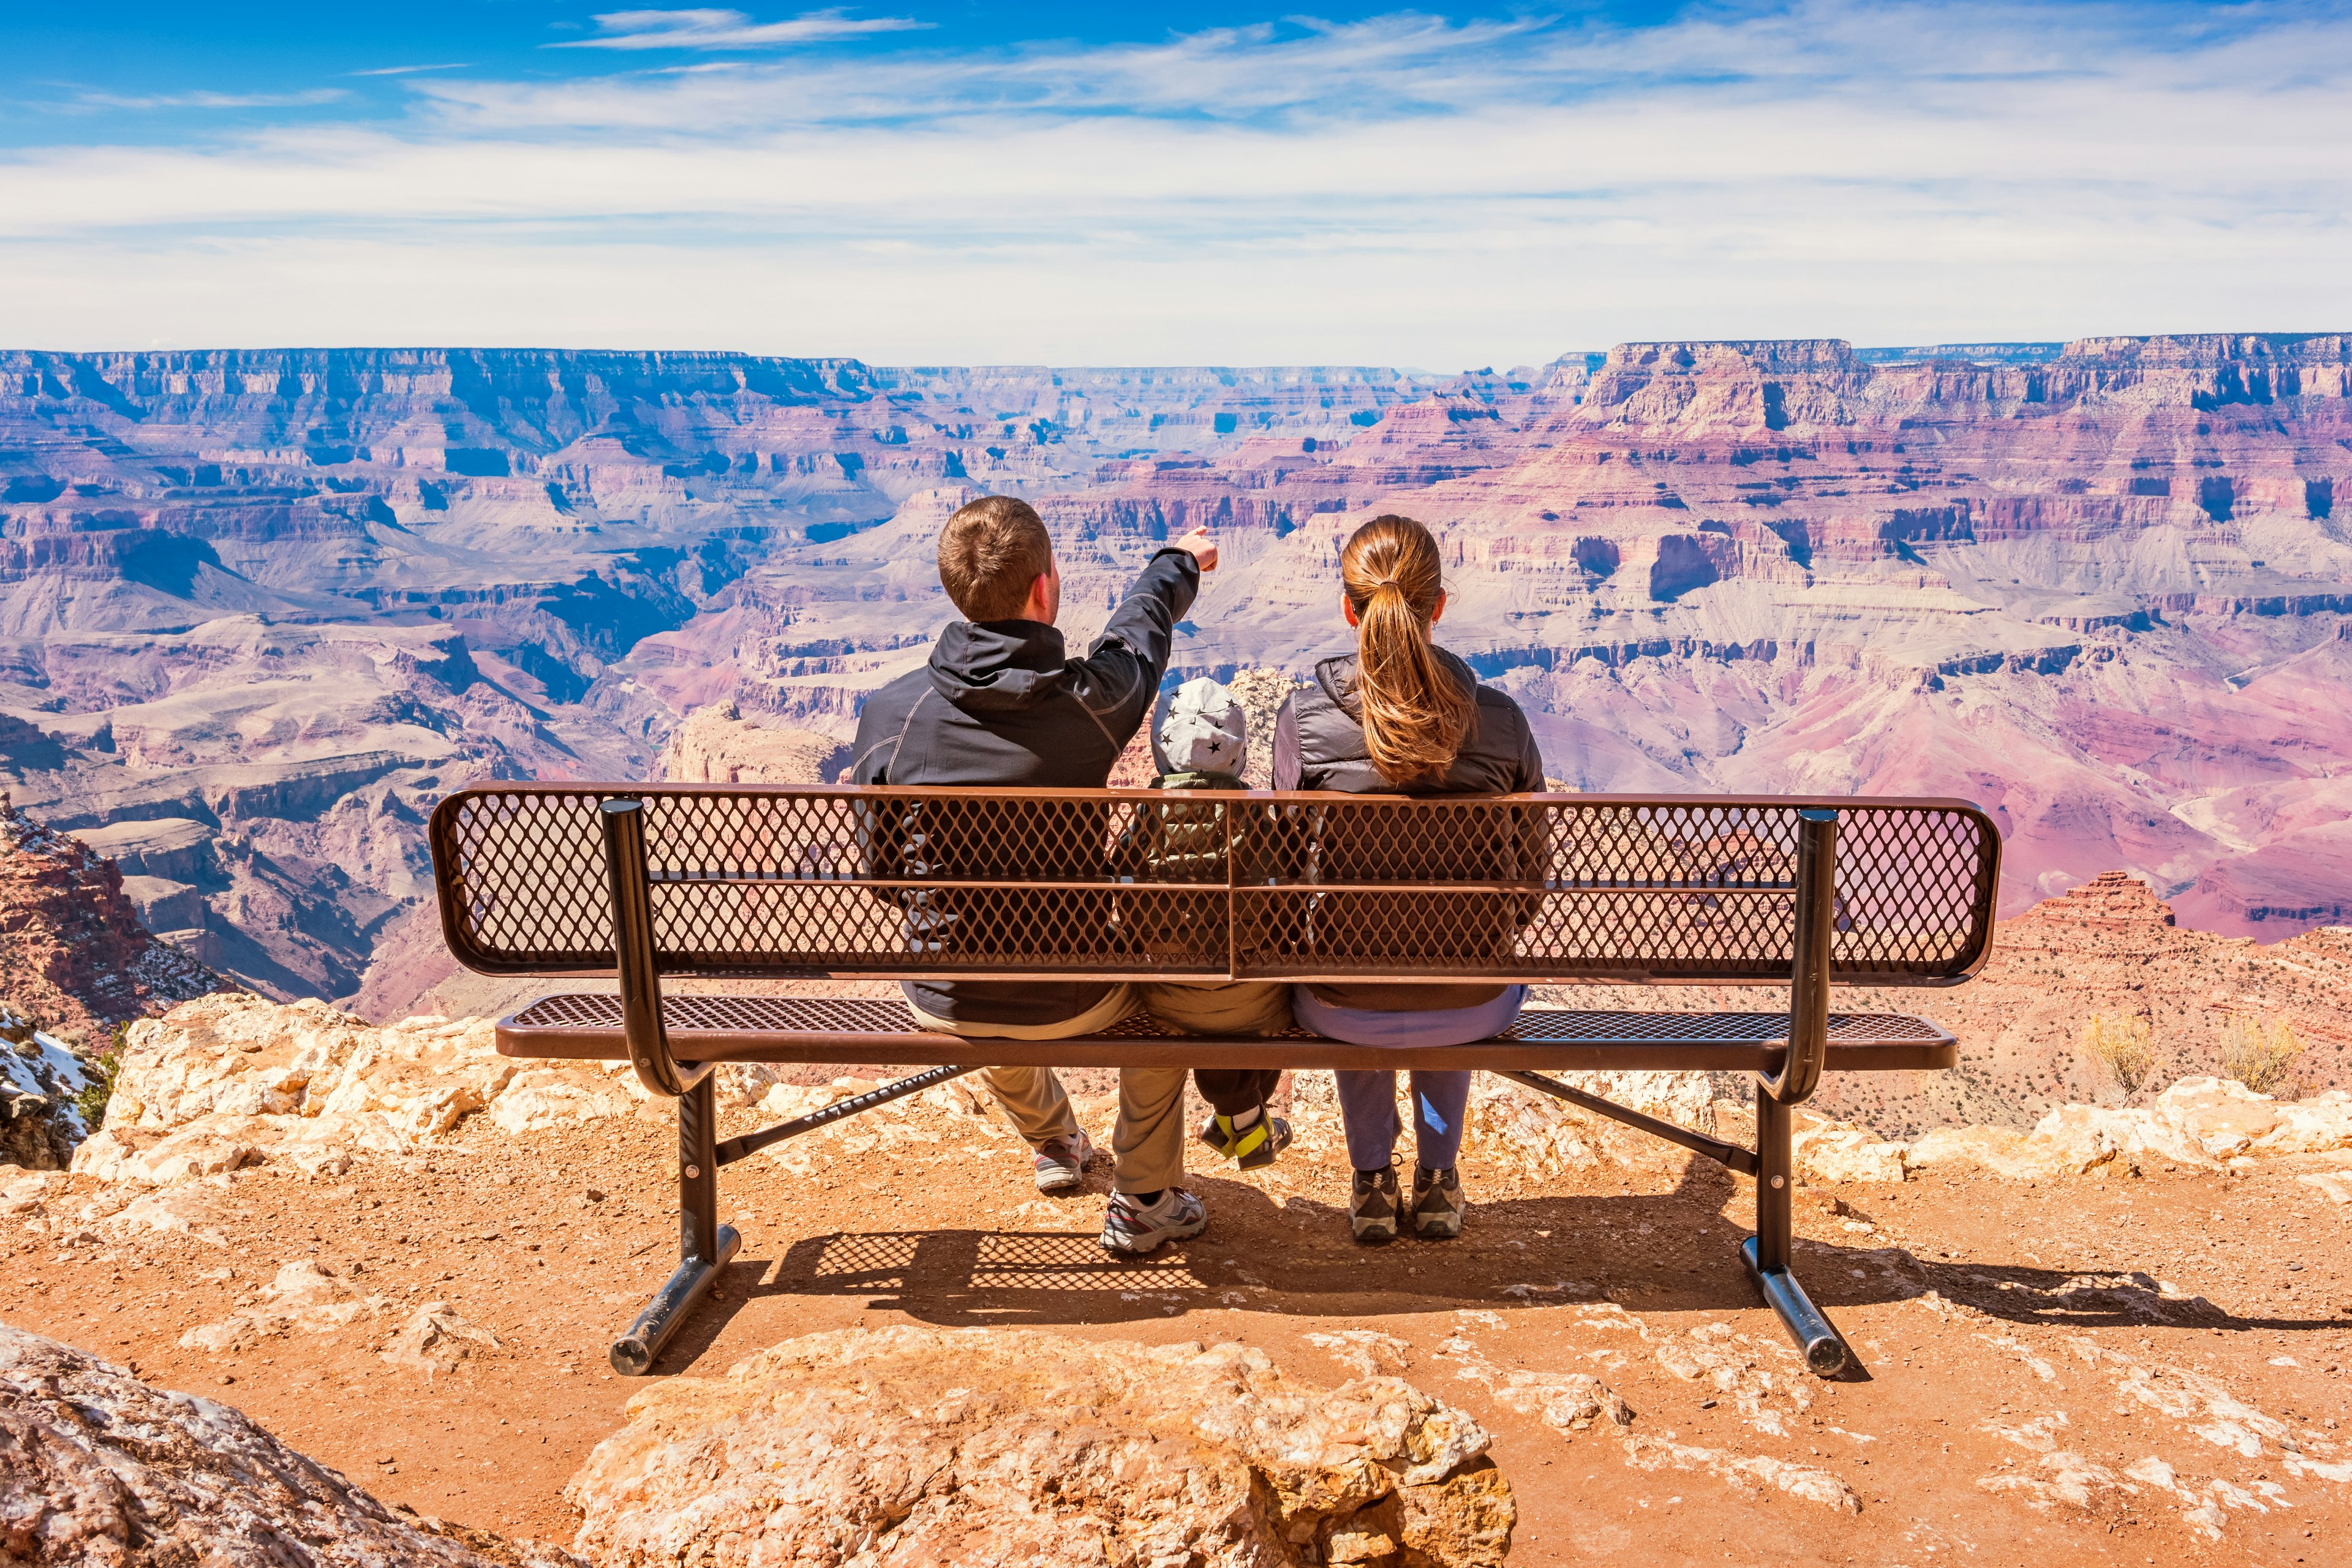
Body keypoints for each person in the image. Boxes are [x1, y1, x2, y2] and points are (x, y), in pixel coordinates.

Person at [850, 494, 1218, 1254]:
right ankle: (1145, 1194)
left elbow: (886, 878)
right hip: (1073, 992)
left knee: (978, 978)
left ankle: (1056, 1140)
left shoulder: (894, 712)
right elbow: (1138, 638)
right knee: (1175, 997)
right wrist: (1177, 563)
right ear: (1046, 589)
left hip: (946, 993)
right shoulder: (1090, 704)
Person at [1271, 514, 1545, 1243]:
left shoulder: (1305, 720)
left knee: (1354, 955)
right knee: (1445, 955)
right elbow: (1532, 879)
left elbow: (1281, 865)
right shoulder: (1501, 720)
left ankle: (1370, 1182)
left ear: (1349, 609)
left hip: (1340, 1002)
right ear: (1439, 607)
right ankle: (1437, 1179)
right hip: (1473, 999)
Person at [1121, 677, 1294, 1169]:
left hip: (1167, 994)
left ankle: (1240, 1122)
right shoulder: (1258, 821)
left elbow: (1129, 910)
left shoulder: (1145, 822)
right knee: (1252, 997)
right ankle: (1243, 1121)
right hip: (1257, 999)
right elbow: (1283, 913)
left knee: (1202, 992)